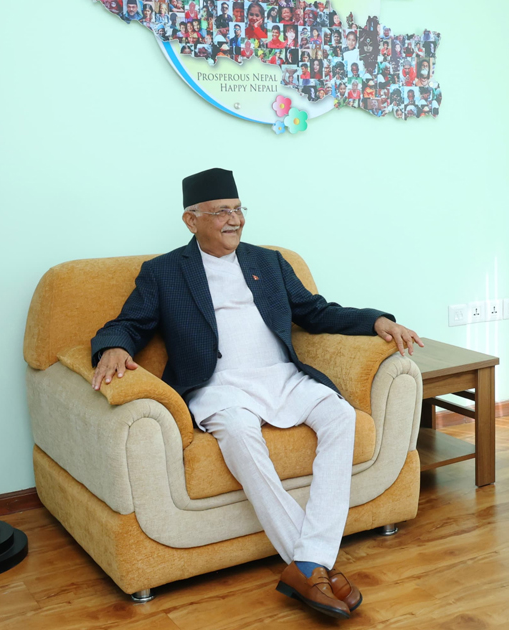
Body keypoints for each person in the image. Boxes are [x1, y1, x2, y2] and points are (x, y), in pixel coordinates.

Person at [91, 169, 422, 620]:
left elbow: (316, 312)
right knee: (241, 436)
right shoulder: (163, 272)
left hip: (282, 377)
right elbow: (130, 323)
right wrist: (113, 346)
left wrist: (376, 320)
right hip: (217, 386)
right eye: (221, 212)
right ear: (191, 220)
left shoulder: (269, 262)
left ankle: (308, 565)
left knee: (341, 417)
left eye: (238, 209)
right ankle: (315, 565)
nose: (234, 219)